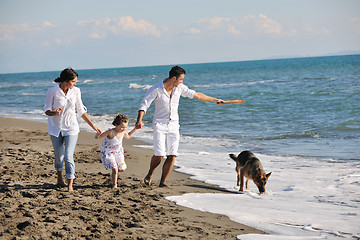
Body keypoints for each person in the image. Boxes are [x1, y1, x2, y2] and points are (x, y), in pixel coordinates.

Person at [136, 66, 224, 187]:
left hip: (174, 125)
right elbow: (144, 105)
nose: (182, 82)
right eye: (181, 79)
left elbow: (197, 95)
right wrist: (139, 120)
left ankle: (163, 182)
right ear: (174, 78)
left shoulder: (180, 88)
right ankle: (150, 173)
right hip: (159, 124)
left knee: (172, 155)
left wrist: (215, 100)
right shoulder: (155, 89)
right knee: (160, 154)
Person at [44, 68, 102, 192]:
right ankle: (60, 178)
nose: (75, 83)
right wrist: (55, 112)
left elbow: (81, 110)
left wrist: (93, 126)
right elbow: (47, 110)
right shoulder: (52, 91)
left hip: (71, 127)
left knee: (68, 155)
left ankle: (70, 184)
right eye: (73, 81)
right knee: (59, 157)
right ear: (66, 81)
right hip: (55, 128)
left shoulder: (76, 91)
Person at [95, 114, 137, 189]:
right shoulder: (110, 132)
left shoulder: (123, 132)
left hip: (118, 152)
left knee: (122, 169)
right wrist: (98, 133)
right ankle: (114, 185)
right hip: (108, 153)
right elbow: (98, 137)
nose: (123, 129)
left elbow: (128, 136)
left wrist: (135, 128)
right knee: (115, 169)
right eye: (122, 127)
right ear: (116, 125)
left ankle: (114, 174)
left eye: (125, 127)